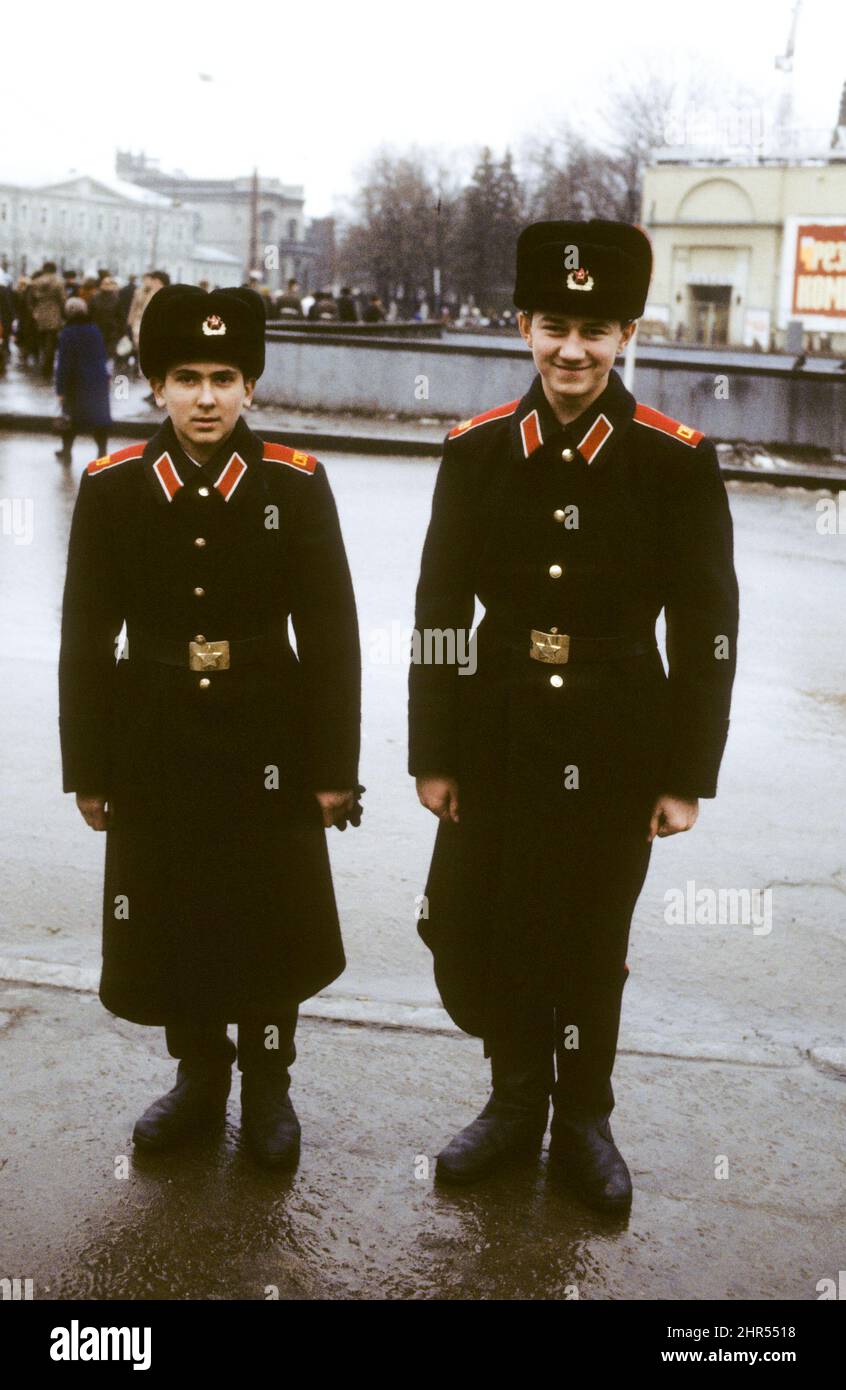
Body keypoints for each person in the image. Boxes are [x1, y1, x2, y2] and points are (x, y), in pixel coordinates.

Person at [408, 219, 739, 1210]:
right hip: (498, 727)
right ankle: (513, 1103)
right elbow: (437, 613)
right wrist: (434, 751)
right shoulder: (476, 452)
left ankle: (583, 1117)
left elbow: (707, 625)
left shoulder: (672, 460)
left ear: (628, 332)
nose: (571, 349)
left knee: (592, 933)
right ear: (522, 325)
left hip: (618, 733)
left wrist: (686, 772)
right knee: (486, 924)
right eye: (554, 323)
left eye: (595, 328)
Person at [58, 285, 362, 1168]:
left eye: (224, 377)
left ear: (251, 386)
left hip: (268, 731)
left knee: (268, 911)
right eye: (185, 376)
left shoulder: (295, 485)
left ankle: (270, 1088)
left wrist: (333, 765)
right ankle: (198, 1077)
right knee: (174, 907)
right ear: (155, 385)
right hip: (154, 734)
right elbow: (85, 634)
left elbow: (334, 634)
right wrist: (91, 767)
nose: (204, 397)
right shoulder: (114, 488)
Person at [54, 297, 111, 463]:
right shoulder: (94, 329)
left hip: (75, 382)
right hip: (97, 380)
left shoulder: (68, 332)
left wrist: (60, 389)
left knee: (70, 418)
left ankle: (66, 451)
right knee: (99, 418)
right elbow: (102, 355)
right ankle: (102, 453)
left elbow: (64, 363)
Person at [28, 261, 66, 378]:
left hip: (39, 313)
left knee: (41, 340)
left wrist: (34, 311)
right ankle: (47, 367)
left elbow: (30, 300)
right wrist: (64, 314)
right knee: (51, 340)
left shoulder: (35, 282)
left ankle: (41, 360)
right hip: (54, 313)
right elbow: (63, 299)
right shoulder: (58, 282)